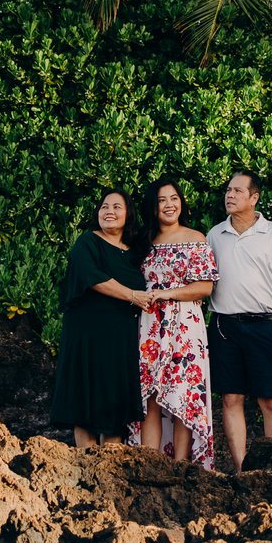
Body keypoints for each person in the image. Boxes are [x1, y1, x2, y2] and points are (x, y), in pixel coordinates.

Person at [205, 167, 272, 471]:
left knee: (269, 401)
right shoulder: (215, 235)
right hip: (224, 328)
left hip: (264, 326)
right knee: (231, 399)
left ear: (254, 197)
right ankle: (243, 471)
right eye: (228, 190)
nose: (229, 195)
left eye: (237, 191)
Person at [49, 188, 152, 447]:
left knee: (114, 408)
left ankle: (108, 474)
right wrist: (132, 295)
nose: (109, 212)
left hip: (120, 338)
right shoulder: (87, 242)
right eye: (105, 206)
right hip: (87, 335)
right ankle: (85, 467)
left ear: (128, 214)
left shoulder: (135, 251)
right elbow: (91, 277)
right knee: (83, 406)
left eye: (117, 207)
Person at [129, 180, 218, 468]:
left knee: (182, 393)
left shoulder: (196, 238)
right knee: (151, 396)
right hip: (150, 326)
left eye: (174, 198)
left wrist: (166, 293)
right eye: (161, 200)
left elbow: (204, 287)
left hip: (185, 325)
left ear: (182, 201)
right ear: (152, 207)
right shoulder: (143, 241)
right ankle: (150, 463)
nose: (169, 205)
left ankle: (181, 466)